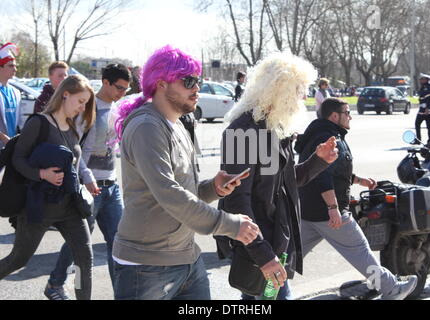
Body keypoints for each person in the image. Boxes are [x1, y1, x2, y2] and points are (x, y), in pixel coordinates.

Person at [112, 45, 260, 300]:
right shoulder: (146, 126)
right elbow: (170, 195)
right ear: (161, 84)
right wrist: (230, 224)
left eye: (198, 80)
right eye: (188, 80)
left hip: (187, 258)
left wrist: (213, 188)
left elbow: (182, 189)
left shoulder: (178, 125)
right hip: (145, 267)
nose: (196, 88)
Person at [216, 52, 339, 300]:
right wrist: (263, 255)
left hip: (275, 243)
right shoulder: (243, 132)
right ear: (278, 90)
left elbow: (287, 183)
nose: (303, 96)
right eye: (298, 90)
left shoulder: (275, 126)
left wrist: (318, 161)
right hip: (258, 248)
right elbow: (237, 201)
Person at [296, 98, 418, 300]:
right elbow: (322, 174)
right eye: (346, 112)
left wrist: (359, 180)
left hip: (309, 211)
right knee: (360, 252)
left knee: (288, 257)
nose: (350, 116)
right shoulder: (327, 137)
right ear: (334, 116)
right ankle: (391, 288)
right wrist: (333, 207)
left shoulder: (322, 133)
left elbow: (334, 171)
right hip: (328, 212)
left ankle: (261, 294)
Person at [0, 74, 96, 300]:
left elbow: (75, 164)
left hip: (70, 209)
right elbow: (18, 159)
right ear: (65, 94)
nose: (83, 108)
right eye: (80, 101)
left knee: (85, 260)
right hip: (38, 208)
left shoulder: (73, 129)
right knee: (19, 259)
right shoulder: (39, 123)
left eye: (86, 104)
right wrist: (42, 174)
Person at [44, 64, 131, 300]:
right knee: (80, 246)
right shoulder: (87, 107)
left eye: (126, 88)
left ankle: (121, 295)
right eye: (119, 87)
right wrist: (86, 177)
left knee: (118, 244)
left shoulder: (119, 107)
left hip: (111, 187)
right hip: (88, 188)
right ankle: (55, 284)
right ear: (105, 82)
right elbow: (74, 150)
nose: (122, 93)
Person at [0, 43, 21, 149]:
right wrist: (4, 138)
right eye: (11, 65)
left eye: (15, 66)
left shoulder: (15, 92)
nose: (15, 69)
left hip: (10, 147)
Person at [415, 73, 430, 144]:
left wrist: (428, 108)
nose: (420, 80)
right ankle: (418, 140)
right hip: (421, 109)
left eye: (422, 79)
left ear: (426, 79)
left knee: (429, 126)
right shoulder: (422, 86)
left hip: (427, 110)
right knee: (417, 124)